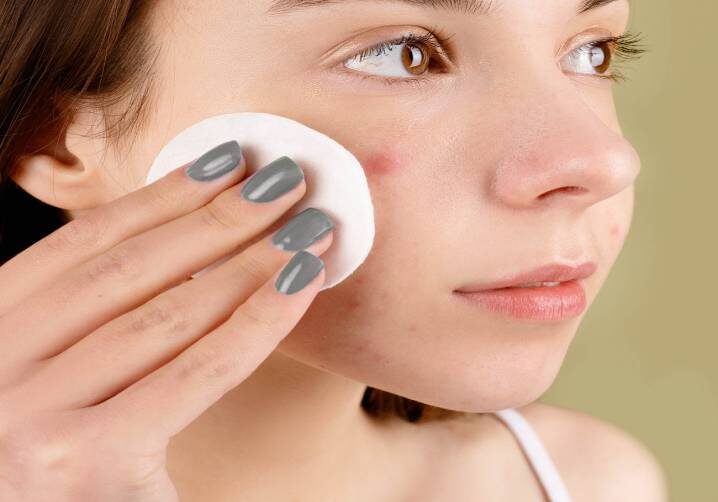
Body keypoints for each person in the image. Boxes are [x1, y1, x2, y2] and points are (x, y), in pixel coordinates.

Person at [0, 0, 669, 500]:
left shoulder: (595, 482)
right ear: (55, 138)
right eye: (402, 54)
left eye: (593, 52)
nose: (606, 162)